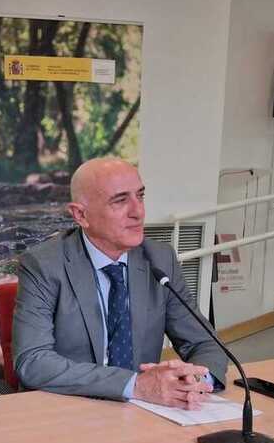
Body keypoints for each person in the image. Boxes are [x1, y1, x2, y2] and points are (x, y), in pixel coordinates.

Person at [12, 157, 227, 409]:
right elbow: (33, 361)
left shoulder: (160, 258)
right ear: (80, 214)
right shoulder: (44, 264)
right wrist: (135, 385)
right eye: (120, 200)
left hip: (142, 410)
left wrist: (194, 381)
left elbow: (204, 343)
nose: (138, 212)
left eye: (140, 196)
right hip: (70, 408)